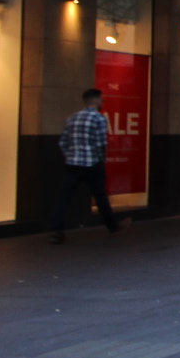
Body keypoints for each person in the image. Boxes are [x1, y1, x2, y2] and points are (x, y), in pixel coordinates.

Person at [51, 88, 120, 242]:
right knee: (100, 196)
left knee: (64, 197)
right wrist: (101, 159)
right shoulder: (99, 119)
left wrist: (69, 156)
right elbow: (101, 143)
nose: (102, 102)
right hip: (92, 163)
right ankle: (113, 226)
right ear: (95, 100)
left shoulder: (72, 118)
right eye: (101, 100)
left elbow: (63, 142)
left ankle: (57, 230)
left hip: (73, 164)